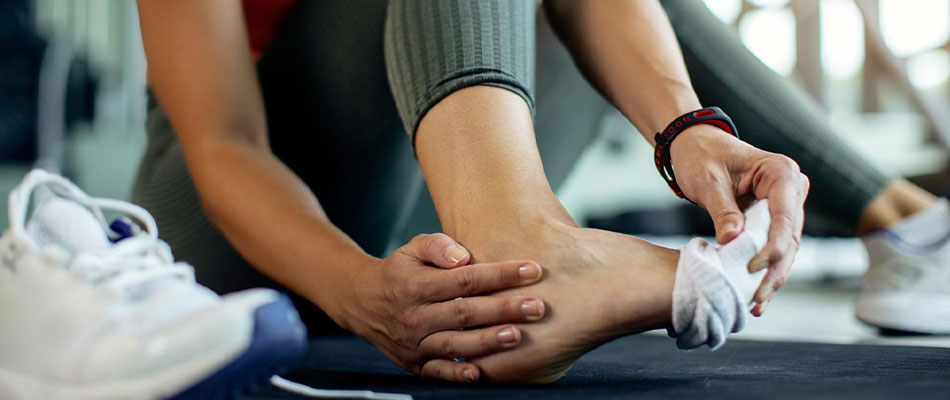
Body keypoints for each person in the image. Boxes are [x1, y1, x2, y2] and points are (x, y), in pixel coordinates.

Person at [134, 0, 948, 384]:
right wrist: (356, 294)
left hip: (420, 191)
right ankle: (519, 233)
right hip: (236, 238)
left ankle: (912, 230)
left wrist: (689, 131)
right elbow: (222, 145)